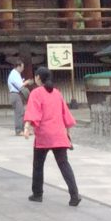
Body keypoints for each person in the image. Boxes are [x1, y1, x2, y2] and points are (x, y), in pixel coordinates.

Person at [23, 66, 81, 206]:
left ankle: (37, 194)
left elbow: (33, 111)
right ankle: (74, 195)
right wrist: (68, 133)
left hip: (44, 134)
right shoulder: (57, 93)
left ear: (38, 78)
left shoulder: (36, 93)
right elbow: (65, 113)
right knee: (64, 164)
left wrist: (26, 127)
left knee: (38, 165)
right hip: (59, 134)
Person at [7, 59, 31, 135]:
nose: (23, 69)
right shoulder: (14, 74)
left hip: (16, 94)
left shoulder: (16, 74)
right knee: (19, 112)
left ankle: (23, 130)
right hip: (15, 94)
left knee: (21, 112)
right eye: (22, 67)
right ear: (18, 66)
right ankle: (19, 130)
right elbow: (20, 85)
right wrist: (27, 82)